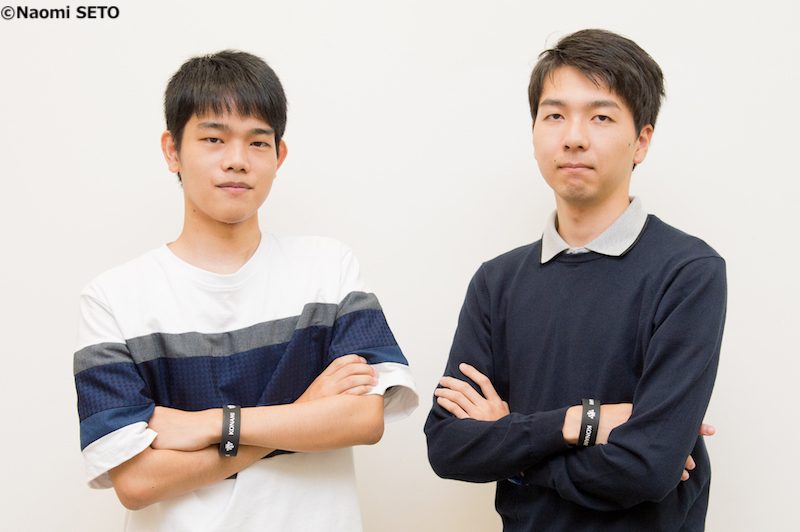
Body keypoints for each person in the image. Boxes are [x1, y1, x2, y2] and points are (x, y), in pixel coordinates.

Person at [73, 50, 417, 532]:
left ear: (279, 156)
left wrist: (209, 424)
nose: (237, 161)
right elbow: (137, 482)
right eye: (214, 139)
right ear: (172, 150)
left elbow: (363, 419)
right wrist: (303, 414)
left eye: (257, 142)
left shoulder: (328, 268)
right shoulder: (114, 297)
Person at [424, 29, 726, 531]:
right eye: (555, 115)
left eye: (601, 117)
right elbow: (448, 446)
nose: (574, 137)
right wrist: (584, 422)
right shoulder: (497, 282)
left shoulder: (688, 272)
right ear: (534, 132)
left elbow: (648, 468)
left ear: (641, 141)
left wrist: (511, 446)